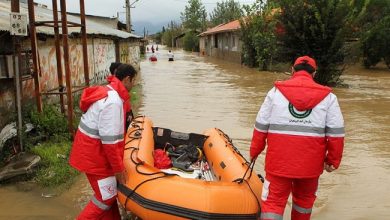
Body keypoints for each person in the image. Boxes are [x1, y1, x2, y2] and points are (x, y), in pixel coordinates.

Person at [249, 56, 344, 220]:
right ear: (314, 73)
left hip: (278, 163)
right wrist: (332, 161)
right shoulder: (329, 98)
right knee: (304, 203)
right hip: (310, 166)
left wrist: (254, 152)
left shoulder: (275, 93)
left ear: (292, 70)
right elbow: (336, 134)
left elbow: (261, 126)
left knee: (273, 203)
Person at [69, 64, 138, 220]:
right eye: (133, 81)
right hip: (93, 156)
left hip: (90, 152)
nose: (133, 85)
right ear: (127, 79)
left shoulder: (109, 92)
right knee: (106, 197)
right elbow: (111, 143)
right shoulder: (113, 102)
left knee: (109, 195)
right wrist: (119, 170)